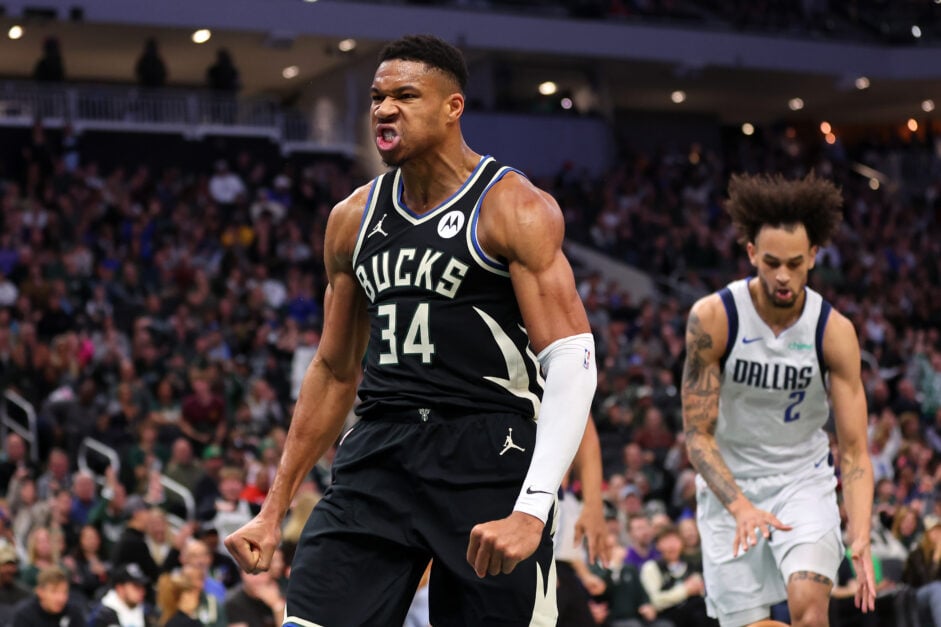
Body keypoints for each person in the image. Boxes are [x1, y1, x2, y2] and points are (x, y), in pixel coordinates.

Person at [224, 34, 597, 627]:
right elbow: (334, 370)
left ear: (453, 107)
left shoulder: (512, 206)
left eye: (405, 96)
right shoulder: (351, 218)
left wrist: (532, 509)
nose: (384, 109)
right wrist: (274, 509)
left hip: (486, 453)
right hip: (381, 449)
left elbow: (574, 360)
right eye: (377, 97)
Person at [681, 172, 876, 626]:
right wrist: (740, 506)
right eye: (771, 263)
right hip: (731, 484)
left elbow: (854, 449)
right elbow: (697, 436)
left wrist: (861, 534)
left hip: (802, 481)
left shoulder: (833, 331)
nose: (783, 276)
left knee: (809, 607)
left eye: (794, 262)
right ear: (752, 253)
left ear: (813, 256)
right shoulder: (713, 318)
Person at [10, 565, 86, 627]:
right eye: (54, 592)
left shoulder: (73, 613)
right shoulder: (24, 615)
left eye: (64, 592)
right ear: (40, 592)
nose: (61, 598)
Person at [87, 562, 156, 627]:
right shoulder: (102, 617)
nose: (142, 591)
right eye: (136, 586)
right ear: (120, 588)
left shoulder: (147, 611)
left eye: (142, 586)